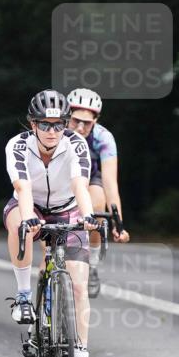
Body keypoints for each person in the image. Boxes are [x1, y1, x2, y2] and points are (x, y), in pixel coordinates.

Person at [4, 90, 99, 357]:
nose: (51, 131)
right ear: (32, 124)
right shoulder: (18, 145)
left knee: (80, 285)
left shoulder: (75, 143)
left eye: (58, 125)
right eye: (44, 125)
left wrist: (88, 216)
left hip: (67, 207)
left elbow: (79, 185)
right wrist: (31, 217)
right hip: (29, 205)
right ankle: (22, 296)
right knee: (20, 224)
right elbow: (22, 186)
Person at [66, 88, 131, 297]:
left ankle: (92, 265)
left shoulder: (104, 138)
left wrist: (117, 224)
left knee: (96, 204)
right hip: (60, 179)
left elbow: (110, 182)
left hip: (89, 177)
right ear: (67, 115)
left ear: (96, 120)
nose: (81, 127)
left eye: (87, 122)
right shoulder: (55, 132)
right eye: (76, 120)